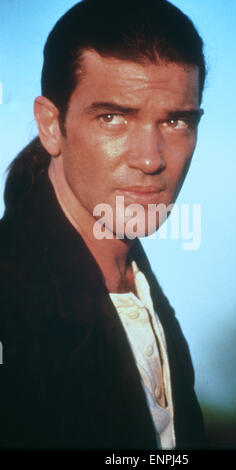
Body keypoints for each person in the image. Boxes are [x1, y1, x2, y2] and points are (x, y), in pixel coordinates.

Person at [0, 0, 207, 449]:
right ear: (51, 125)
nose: (151, 159)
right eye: (112, 117)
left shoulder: (143, 291)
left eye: (176, 121)